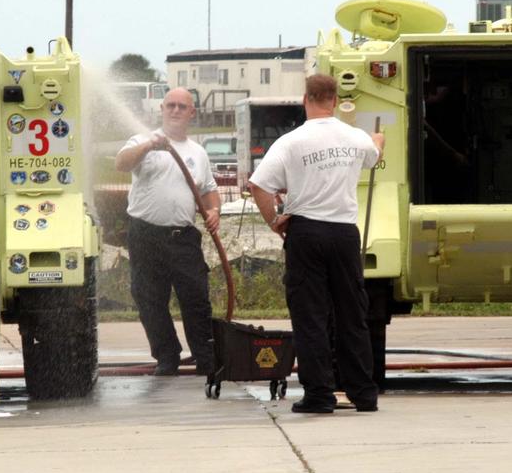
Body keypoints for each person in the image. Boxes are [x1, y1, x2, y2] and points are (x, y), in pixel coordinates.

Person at [249, 74, 384, 413]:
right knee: (352, 315)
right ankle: (363, 394)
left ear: (305, 98)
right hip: (343, 233)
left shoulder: (291, 141)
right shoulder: (354, 137)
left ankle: (320, 395)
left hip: (306, 233)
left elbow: (259, 185)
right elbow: (373, 155)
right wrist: (378, 139)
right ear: (335, 101)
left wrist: (274, 221)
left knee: (311, 316)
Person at [114, 88, 221, 376]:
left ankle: (206, 357)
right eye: (170, 105)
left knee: (196, 298)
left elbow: (209, 190)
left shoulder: (197, 153)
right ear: (161, 109)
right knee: (150, 299)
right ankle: (167, 357)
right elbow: (121, 163)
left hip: (183, 237)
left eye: (181, 106)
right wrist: (149, 146)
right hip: (145, 234)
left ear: (191, 113)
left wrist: (213, 211)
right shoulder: (142, 141)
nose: (175, 111)